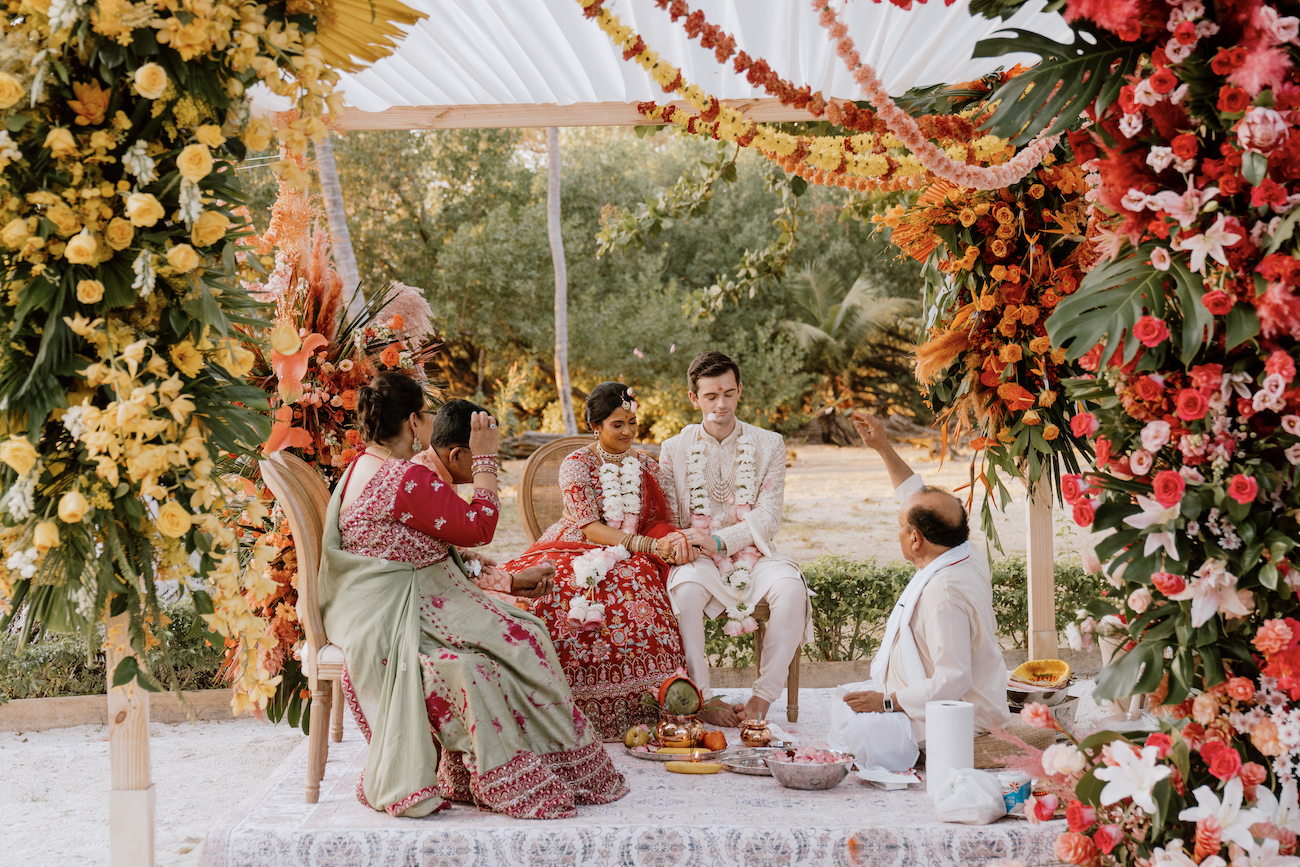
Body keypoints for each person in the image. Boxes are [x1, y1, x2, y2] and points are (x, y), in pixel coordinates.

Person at [318, 372, 627, 819]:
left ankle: (497, 767)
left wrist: (506, 583)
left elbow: (433, 549)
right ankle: (541, 769)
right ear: (412, 421)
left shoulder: (358, 470)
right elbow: (478, 529)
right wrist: (485, 462)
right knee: (524, 638)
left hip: (381, 606)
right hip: (397, 617)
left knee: (520, 629)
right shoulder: (402, 479)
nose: (426, 425)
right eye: (424, 416)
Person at [503, 381, 691, 742]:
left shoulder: (648, 467)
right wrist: (645, 545)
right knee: (554, 594)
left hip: (635, 555)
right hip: (576, 545)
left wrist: (658, 544)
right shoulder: (577, 464)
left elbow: (667, 519)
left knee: (637, 596)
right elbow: (589, 526)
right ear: (596, 426)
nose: (628, 432)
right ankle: (553, 712)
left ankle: (646, 705)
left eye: (632, 422)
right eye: (617, 424)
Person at [830, 411, 1011, 772]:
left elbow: (953, 678)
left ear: (916, 540)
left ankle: (917, 749)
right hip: (928, 695)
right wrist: (882, 448)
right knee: (841, 701)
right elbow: (915, 495)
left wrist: (886, 702)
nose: (897, 530)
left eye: (901, 525)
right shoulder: (964, 551)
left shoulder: (943, 595)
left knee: (855, 730)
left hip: (956, 718)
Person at [657, 351, 812, 726]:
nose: (721, 404)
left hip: (754, 554)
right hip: (697, 559)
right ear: (694, 399)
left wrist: (721, 541)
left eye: (728, 393)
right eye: (711, 396)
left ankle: (762, 699)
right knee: (687, 593)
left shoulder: (768, 443)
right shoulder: (673, 449)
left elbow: (769, 517)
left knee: (792, 589)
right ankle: (703, 700)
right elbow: (667, 517)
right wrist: (693, 544)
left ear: (740, 391)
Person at [413, 398, 556, 606]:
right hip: (420, 592)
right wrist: (512, 582)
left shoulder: (438, 471)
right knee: (520, 612)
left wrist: (466, 557)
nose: (492, 463)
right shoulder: (425, 478)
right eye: (483, 456)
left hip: (438, 579)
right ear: (456, 455)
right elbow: (481, 531)